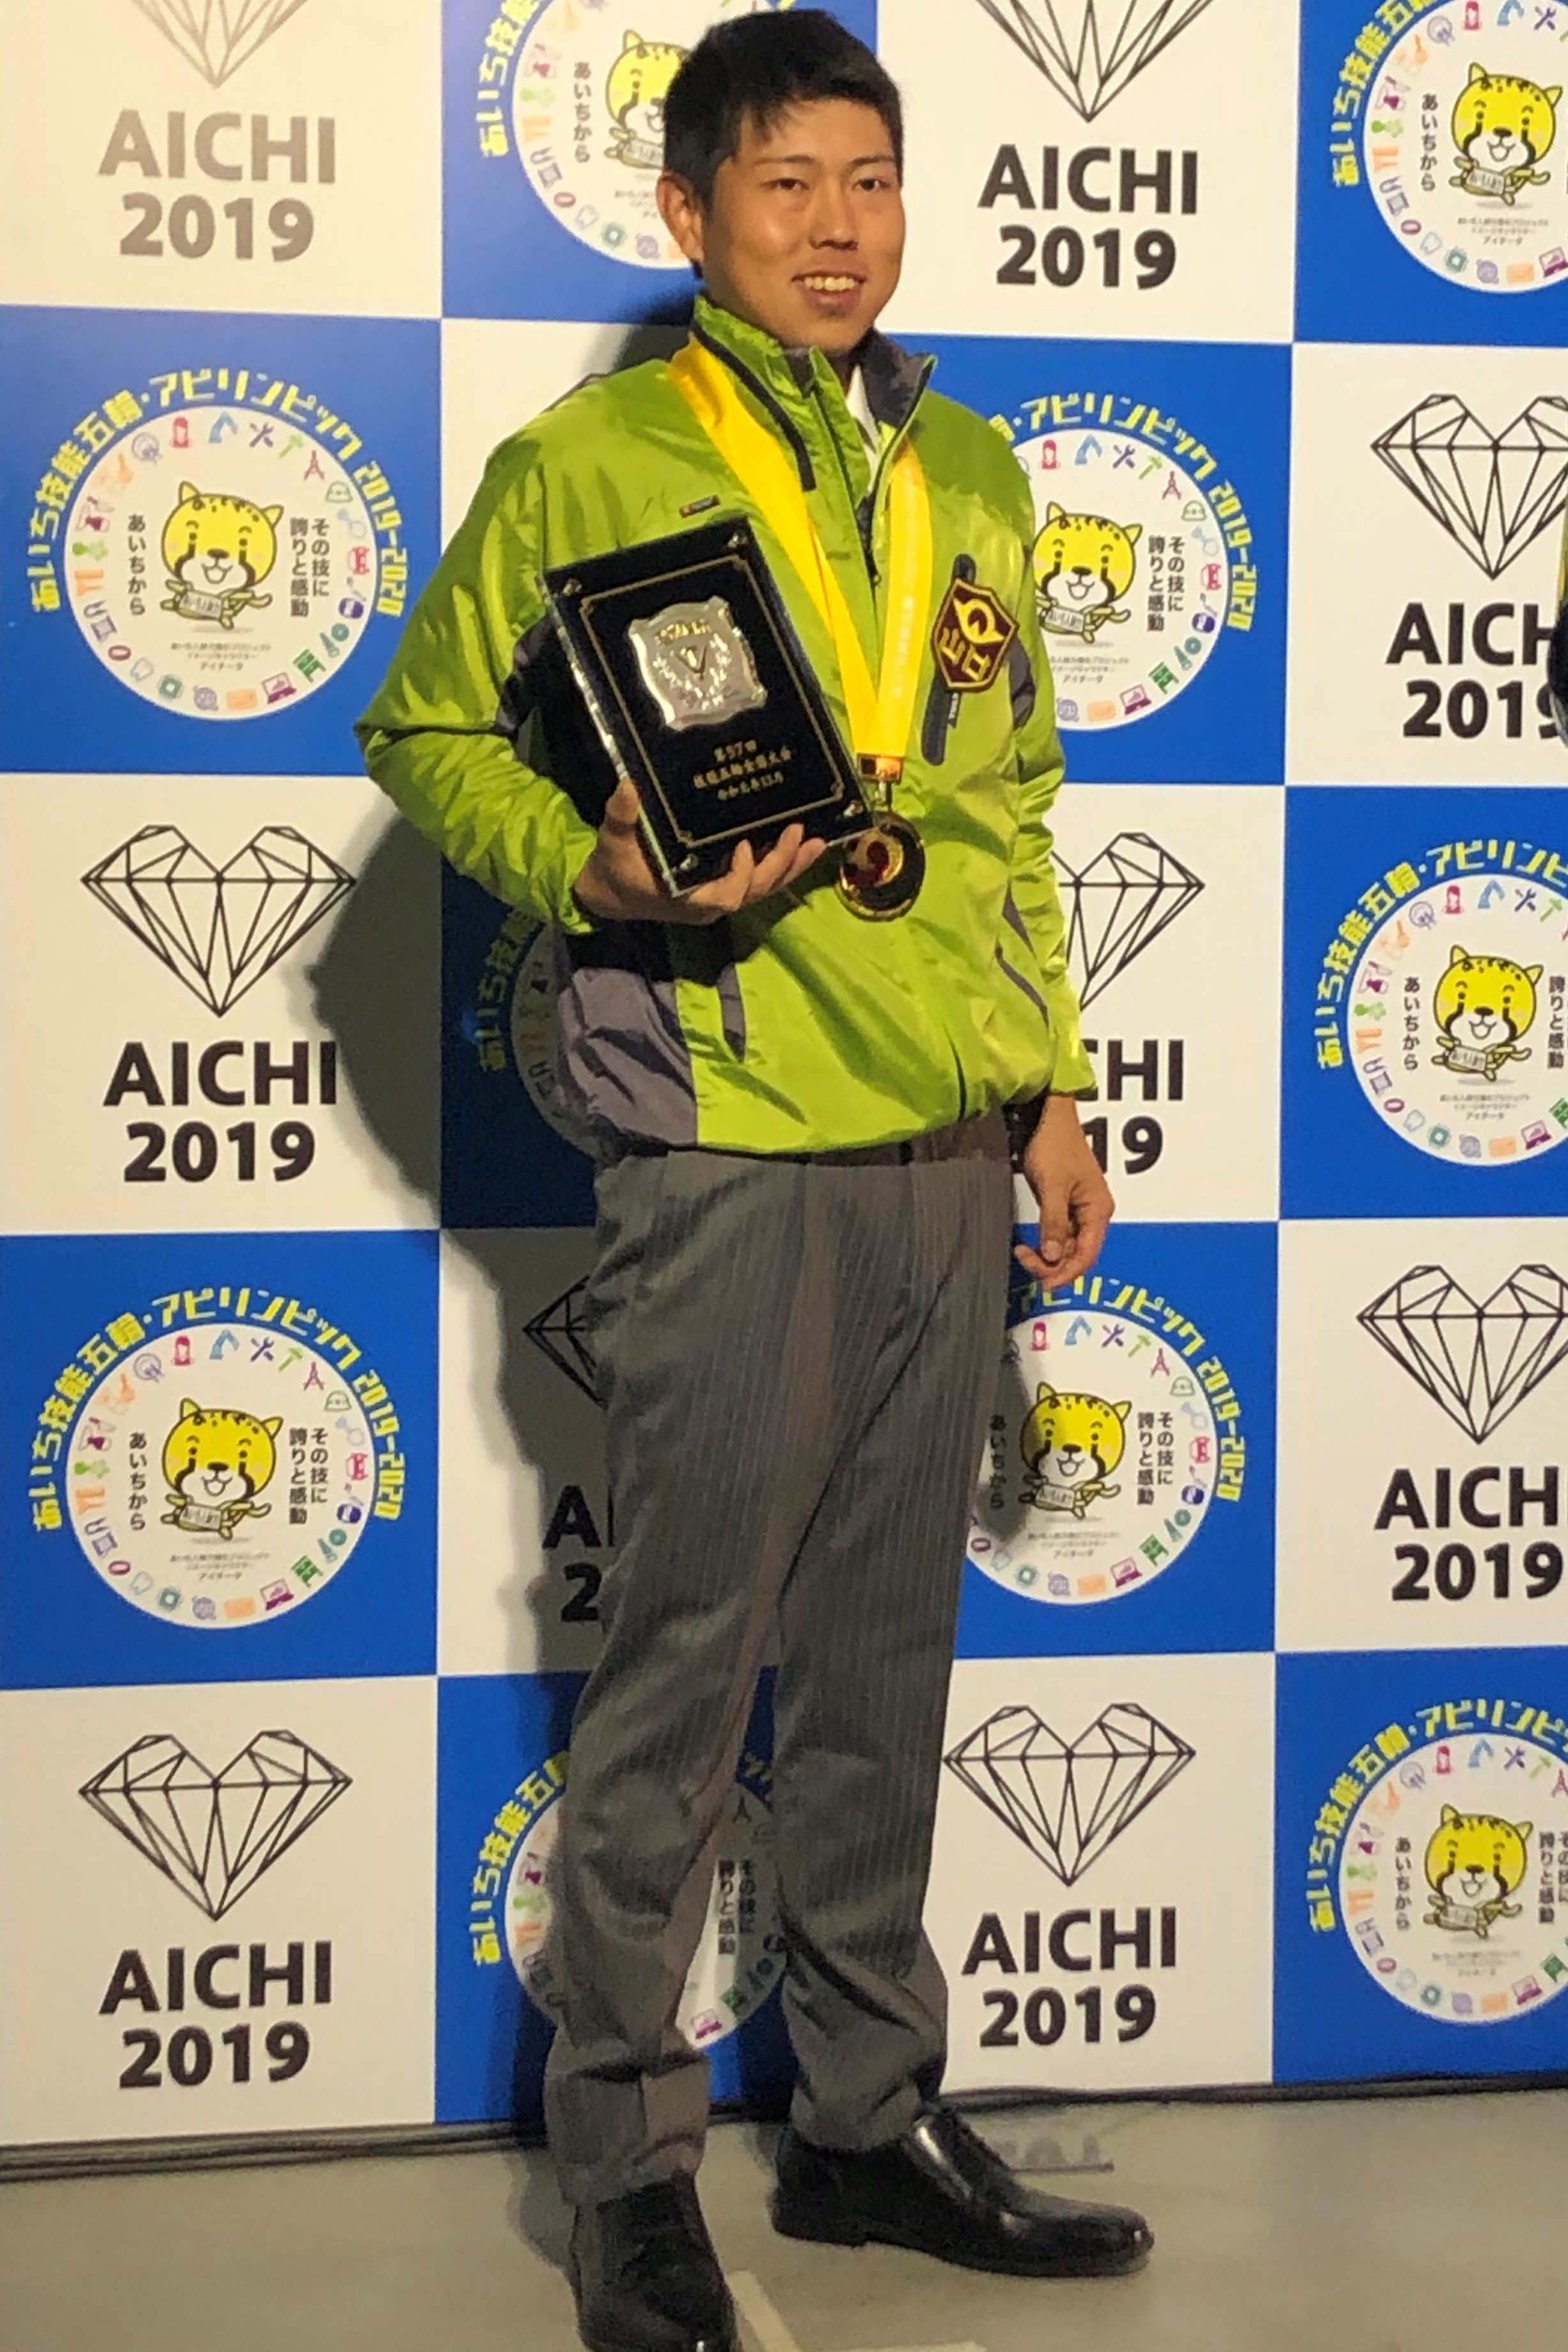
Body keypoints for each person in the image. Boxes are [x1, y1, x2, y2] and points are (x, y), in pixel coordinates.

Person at [358, 13, 1150, 2348]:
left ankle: (866, 2120)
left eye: (870, 179)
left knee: (888, 1667)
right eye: (786, 182)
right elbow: (422, 726)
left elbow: (1007, 812)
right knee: (689, 1668)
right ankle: (623, 2163)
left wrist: (1048, 1086)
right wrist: (594, 865)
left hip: (945, 1155)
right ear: (690, 211)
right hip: (725, 1144)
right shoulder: (594, 459)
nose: (837, 225)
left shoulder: (970, 462)